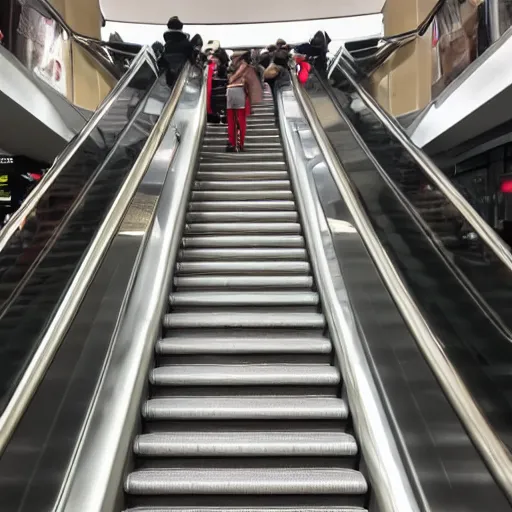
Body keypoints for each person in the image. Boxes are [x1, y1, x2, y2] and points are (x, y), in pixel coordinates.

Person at [226, 51, 262, 152]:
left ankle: (234, 144)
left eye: (234, 58)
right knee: (238, 120)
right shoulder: (245, 68)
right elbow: (252, 87)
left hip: (234, 92)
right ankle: (238, 144)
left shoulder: (234, 69)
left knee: (234, 120)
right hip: (237, 93)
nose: (232, 60)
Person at [160, 16, 195, 86]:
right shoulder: (187, 45)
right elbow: (193, 62)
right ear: (181, 28)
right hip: (185, 80)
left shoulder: (166, 47)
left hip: (168, 80)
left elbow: (161, 64)